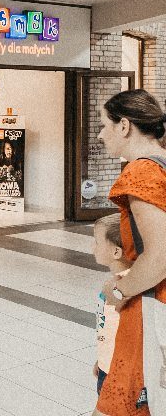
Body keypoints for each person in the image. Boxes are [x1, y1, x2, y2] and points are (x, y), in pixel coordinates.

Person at [94, 89, 166, 416]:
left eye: (104, 125)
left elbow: (160, 255)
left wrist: (120, 290)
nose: (100, 134)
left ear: (124, 126)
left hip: (152, 307)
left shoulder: (141, 172)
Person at [93, 214, 132, 396]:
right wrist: (101, 360)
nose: (93, 248)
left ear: (116, 252)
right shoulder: (115, 284)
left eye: (97, 242)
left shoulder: (123, 289)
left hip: (120, 373)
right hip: (107, 364)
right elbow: (108, 328)